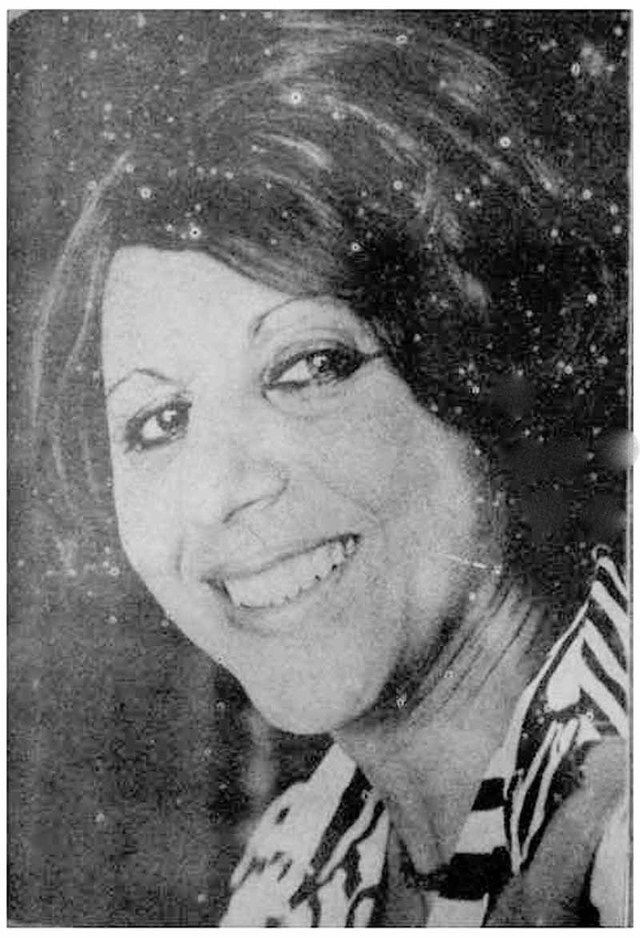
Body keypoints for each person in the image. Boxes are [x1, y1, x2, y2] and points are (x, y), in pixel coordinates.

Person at [29, 11, 628, 926]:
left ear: (481, 361)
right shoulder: (291, 864)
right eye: (158, 422)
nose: (219, 490)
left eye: (308, 367)